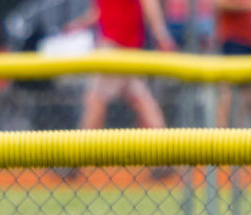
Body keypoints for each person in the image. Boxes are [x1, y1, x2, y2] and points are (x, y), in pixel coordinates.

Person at [66, 0, 177, 131]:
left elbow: (148, 3)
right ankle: (164, 146)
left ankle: (82, 149)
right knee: (142, 104)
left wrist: (161, 36)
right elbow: (98, 13)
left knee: (96, 102)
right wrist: (77, 25)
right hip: (118, 50)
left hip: (118, 51)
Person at [213, 0, 251, 128]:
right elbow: (219, 4)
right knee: (227, 90)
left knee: (248, 94)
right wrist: (247, 6)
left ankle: (242, 135)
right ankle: (220, 137)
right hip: (234, 40)